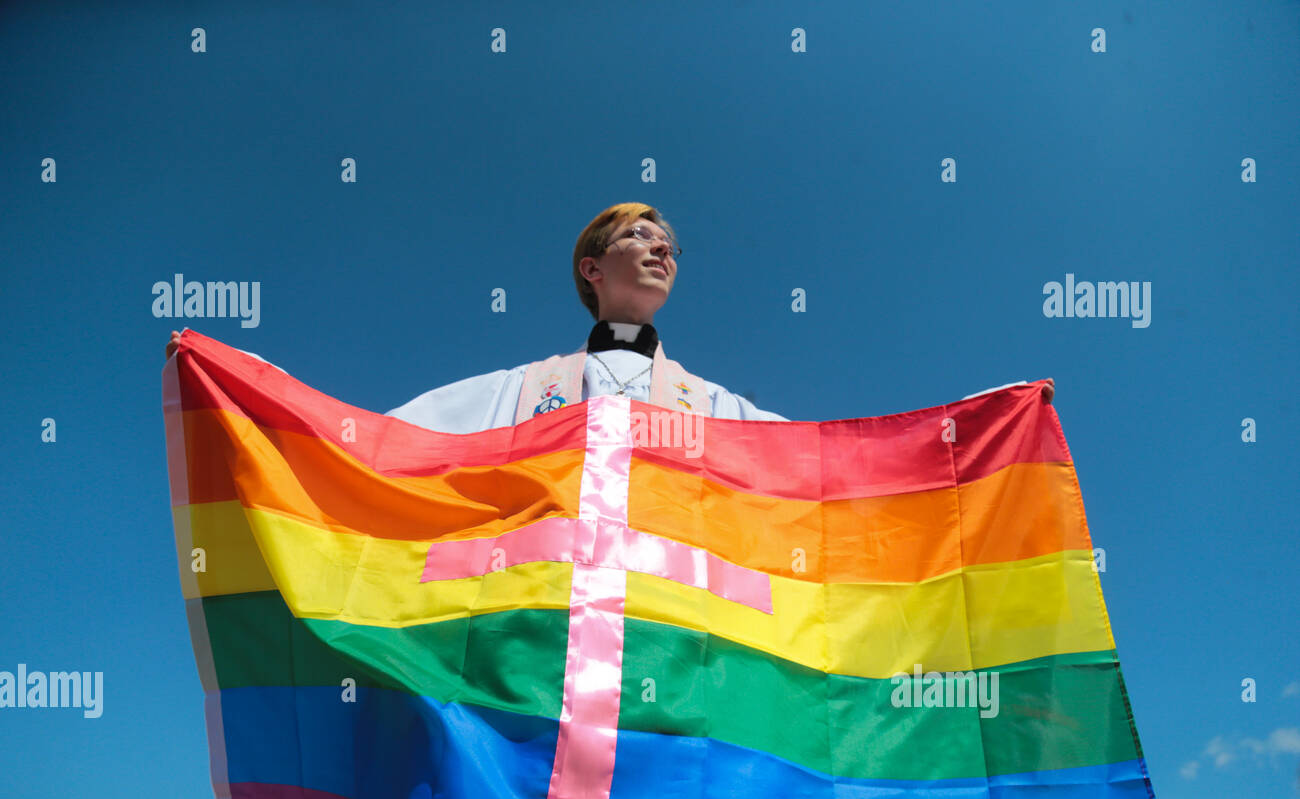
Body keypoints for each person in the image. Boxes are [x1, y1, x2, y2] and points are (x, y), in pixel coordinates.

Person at [163, 202, 1054, 423]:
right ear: (593, 267)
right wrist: (275, 401)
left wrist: (957, 438)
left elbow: (818, 474)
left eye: (670, 241)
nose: (663, 248)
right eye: (640, 234)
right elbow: (392, 441)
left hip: (677, 637)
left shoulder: (711, 405)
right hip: (544, 643)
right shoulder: (522, 390)